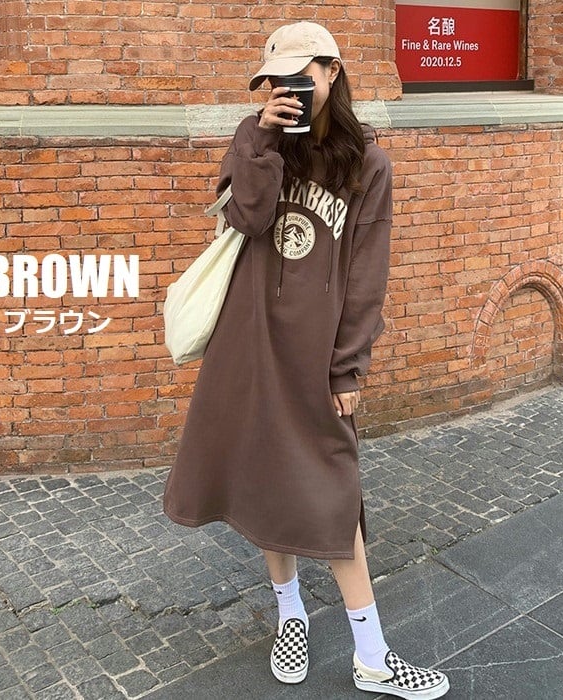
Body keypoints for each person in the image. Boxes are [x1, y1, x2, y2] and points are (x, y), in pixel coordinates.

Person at [164, 21, 450, 700]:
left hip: (315, 355)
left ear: (332, 72)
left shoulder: (368, 165)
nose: (287, 89)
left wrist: (347, 366)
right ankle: (290, 614)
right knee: (266, 477)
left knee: (335, 493)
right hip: (249, 343)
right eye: (275, 79)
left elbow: (366, 276)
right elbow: (248, 218)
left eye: (301, 75)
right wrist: (262, 140)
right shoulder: (255, 138)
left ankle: (372, 655)